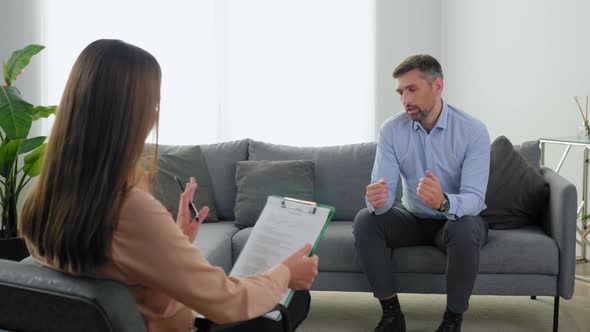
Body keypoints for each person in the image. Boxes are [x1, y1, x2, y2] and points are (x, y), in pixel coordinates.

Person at [19, 39, 319, 332]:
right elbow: (227, 301)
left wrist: (174, 240)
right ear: (132, 115)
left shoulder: (44, 197)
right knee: (293, 299)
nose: (155, 113)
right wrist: (285, 274)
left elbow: (115, 270)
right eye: (153, 103)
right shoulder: (129, 206)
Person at [353, 54, 490, 332]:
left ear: (437, 86)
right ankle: (392, 315)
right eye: (401, 92)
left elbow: (475, 199)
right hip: (412, 219)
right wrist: (376, 200)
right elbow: (382, 192)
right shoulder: (392, 130)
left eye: (412, 89)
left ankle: (453, 319)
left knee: (466, 228)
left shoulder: (472, 131)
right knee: (365, 220)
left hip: (454, 220)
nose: (405, 99)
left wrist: (443, 201)